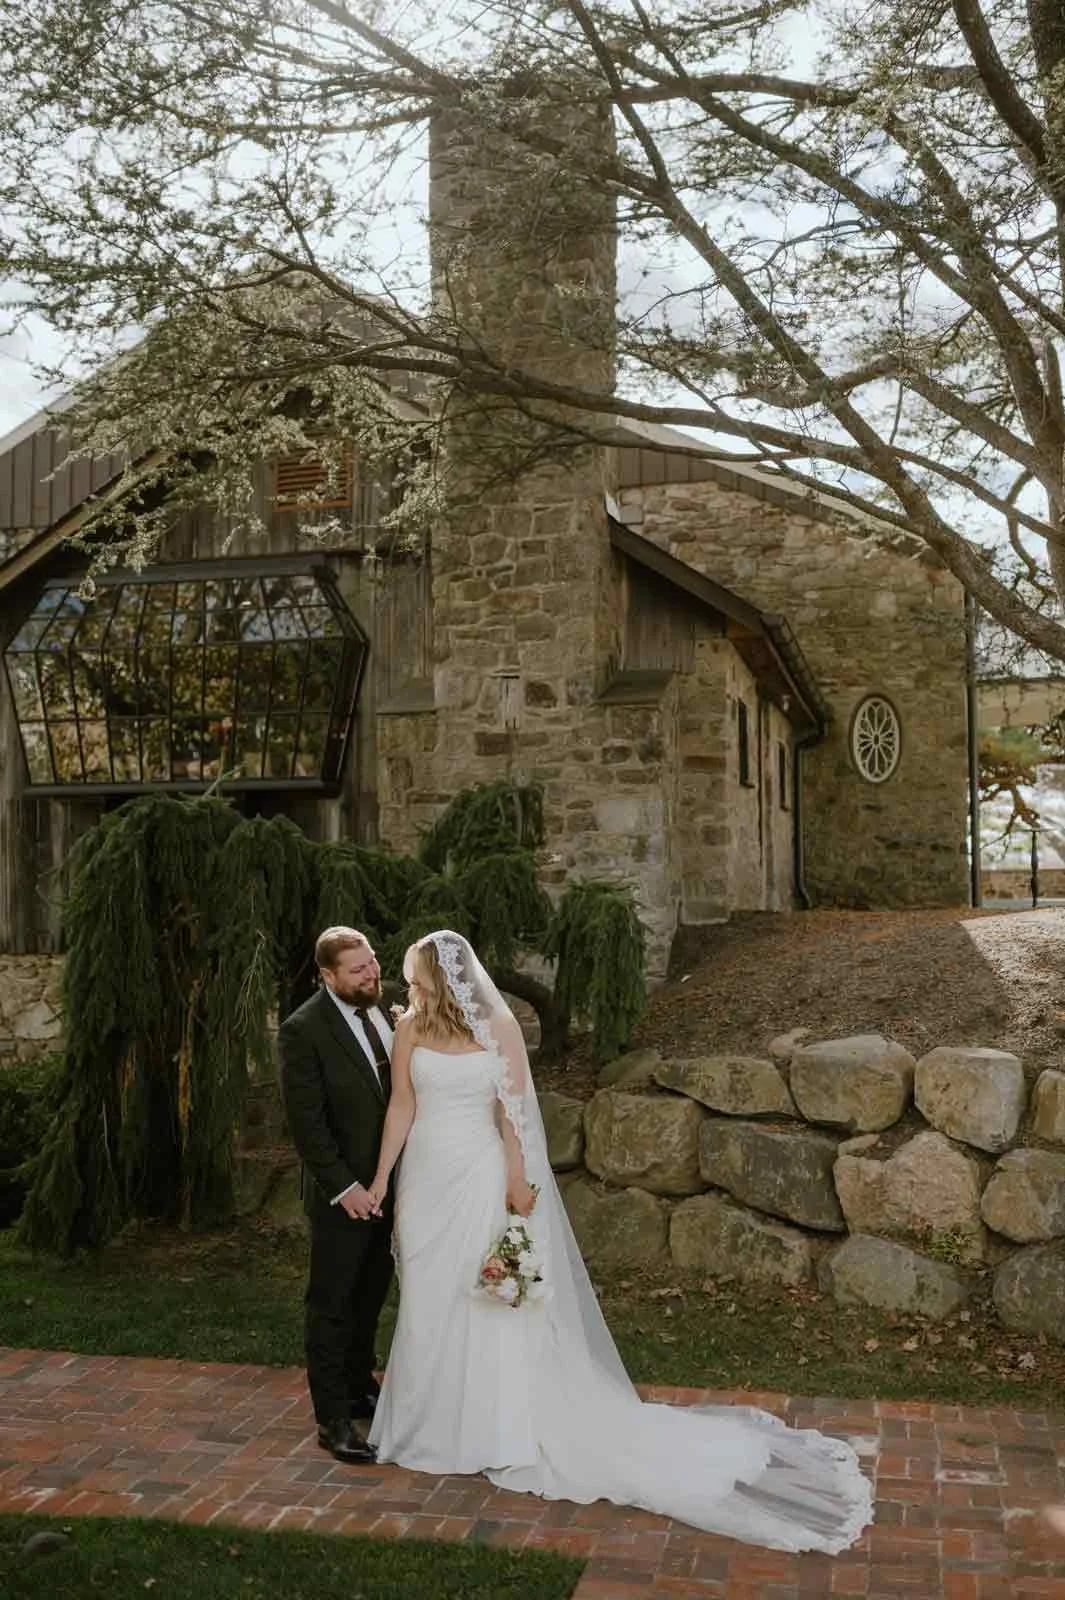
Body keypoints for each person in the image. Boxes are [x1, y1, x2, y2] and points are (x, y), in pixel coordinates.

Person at [365, 930, 875, 1554]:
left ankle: (491, 1429)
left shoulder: (497, 1027)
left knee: (492, 1302)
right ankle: (428, 1424)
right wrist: (383, 1178)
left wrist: (518, 1178)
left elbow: (512, 1111)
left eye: (417, 974)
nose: (410, 984)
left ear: (444, 976)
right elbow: (401, 1106)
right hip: (425, 1178)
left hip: (481, 1174)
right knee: (428, 1300)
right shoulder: (410, 1029)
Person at [278, 927, 395, 1466]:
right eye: (358, 969)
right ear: (327, 976)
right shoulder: (303, 1030)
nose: (371, 974)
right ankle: (332, 1419)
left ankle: (357, 1385)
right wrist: (345, 1188)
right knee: (332, 1305)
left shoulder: (385, 1010)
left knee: (371, 1294)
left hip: (391, 1187)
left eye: (372, 963)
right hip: (343, 1194)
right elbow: (308, 1124)